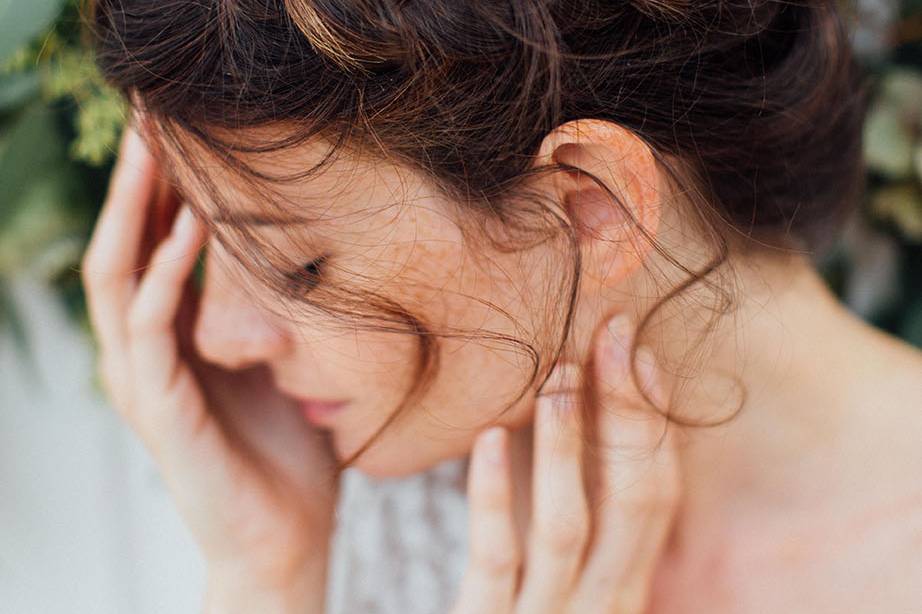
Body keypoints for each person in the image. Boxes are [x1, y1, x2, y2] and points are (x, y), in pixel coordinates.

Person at [80, 0, 922, 612]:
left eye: (297, 267)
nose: (221, 339)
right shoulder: (374, 514)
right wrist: (266, 577)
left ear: (592, 206)